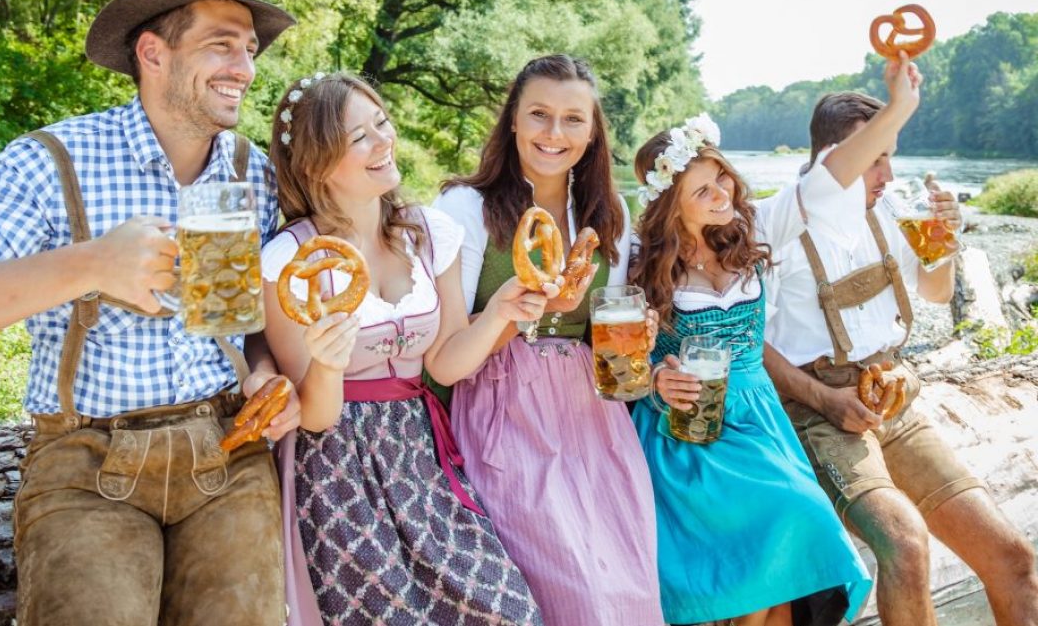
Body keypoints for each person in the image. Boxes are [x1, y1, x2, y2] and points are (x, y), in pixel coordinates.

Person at [0, 0, 299, 623]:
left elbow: (246, 322)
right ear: (153, 52)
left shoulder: (255, 173)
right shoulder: (52, 162)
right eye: (222, 43)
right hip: (86, 462)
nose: (245, 68)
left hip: (228, 453)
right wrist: (91, 264)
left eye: (248, 49)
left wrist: (269, 374)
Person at [261, 71, 546, 625]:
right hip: (337, 470)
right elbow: (316, 417)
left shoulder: (426, 232)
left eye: (382, 123)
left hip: (418, 454)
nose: (383, 141)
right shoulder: (291, 263)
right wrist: (326, 359)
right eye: (358, 137)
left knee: (507, 609)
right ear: (316, 164)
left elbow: (444, 360)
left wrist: (501, 312)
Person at [762, 85, 1038, 623]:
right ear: (832, 159)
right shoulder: (778, 223)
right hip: (815, 412)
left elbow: (935, 292)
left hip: (893, 400)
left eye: (889, 157)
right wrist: (824, 398)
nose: (887, 174)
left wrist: (943, 243)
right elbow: (749, 341)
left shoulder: (889, 209)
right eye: (876, 159)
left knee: (1014, 558)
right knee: (905, 546)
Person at [433, 54, 664, 626]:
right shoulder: (465, 209)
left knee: (627, 587)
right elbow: (446, 364)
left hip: (593, 420)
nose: (553, 134)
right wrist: (513, 312)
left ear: (593, 132)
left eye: (572, 119)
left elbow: (610, 355)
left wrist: (636, 346)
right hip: (502, 413)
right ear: (512, 120)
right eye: (538, 114)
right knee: (576, 595)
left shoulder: (608, 215)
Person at [627, 106, 878, 625]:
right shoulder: (640, 262)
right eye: (703, 191)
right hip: (688, 434)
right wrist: (655, 380)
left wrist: (897, 109)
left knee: (793, 537)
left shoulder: (753, 228)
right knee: (757, 568)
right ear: (672, 207)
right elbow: (616, 354)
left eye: (721, 179)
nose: (722, 194)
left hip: (759, 420)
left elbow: (829, 180)